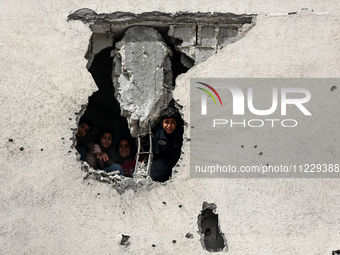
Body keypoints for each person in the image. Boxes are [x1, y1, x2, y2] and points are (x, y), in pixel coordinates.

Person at [150, 106, 184, 182]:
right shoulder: (158, 134)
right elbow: (156, 151)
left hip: (180, 161)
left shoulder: (181, 134)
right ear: (162, 123)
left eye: (172, 122)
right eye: (166, 122)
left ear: (177, 123)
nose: (169, 125)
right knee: (153, 170)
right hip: (165, 162)